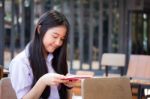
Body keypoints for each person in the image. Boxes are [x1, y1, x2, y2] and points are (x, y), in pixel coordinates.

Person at [9, 10, 73, 99]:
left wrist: (69, 86)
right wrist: (43, 81)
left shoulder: (58, 59)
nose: (58, 43)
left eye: (62, 39)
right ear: (39, 29)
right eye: (55, 36)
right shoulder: (21, 62)